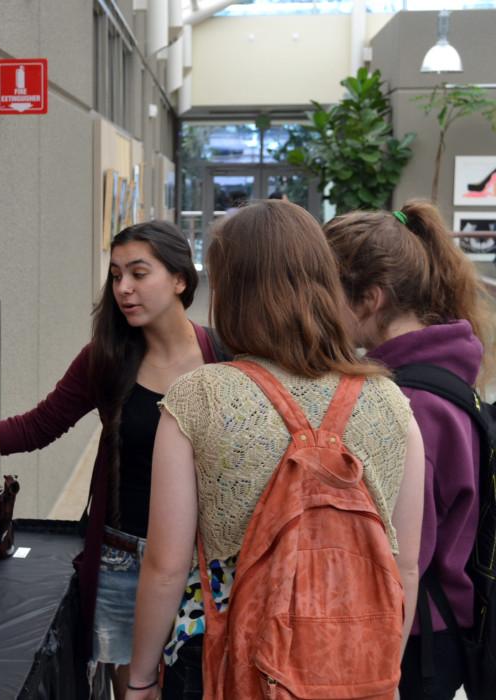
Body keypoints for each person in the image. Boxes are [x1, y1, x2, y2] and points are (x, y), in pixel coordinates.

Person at [0, 220, 227, 699]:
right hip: (123, 561)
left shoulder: (225, 358)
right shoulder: (107, 358)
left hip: (204, 561)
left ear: (180, 279)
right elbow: (37, 426)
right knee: (136, 692)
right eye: (116, 274)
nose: (124, 288)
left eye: (139, 273)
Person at [126, 200, 425, 699]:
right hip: (350, 663)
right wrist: (379, 670)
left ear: (232, 289)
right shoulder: (391, 402)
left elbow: (166, 566)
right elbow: (405, 566)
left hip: (220, 663)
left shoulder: (200, 396)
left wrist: (138, 681)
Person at [325, 200, 493, 700]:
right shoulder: (447, 369)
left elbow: (400, 558)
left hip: (411, 639)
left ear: (370, 298)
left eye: (327, 292)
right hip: (440, 626)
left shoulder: (409, 404)